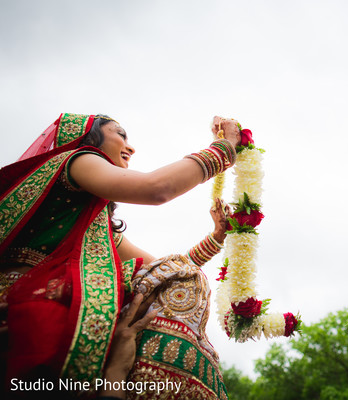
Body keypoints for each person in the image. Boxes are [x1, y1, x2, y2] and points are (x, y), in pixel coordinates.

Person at [0, 113, 241, 397]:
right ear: (89, 138)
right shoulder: (76, 159)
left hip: (54, 315)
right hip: (31, 309)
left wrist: (216, 237)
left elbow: (164, 270)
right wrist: (224, 149)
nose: (130, 146)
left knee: (186, 282)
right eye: (120, 134)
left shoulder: (94, 228)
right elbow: (157, 188)